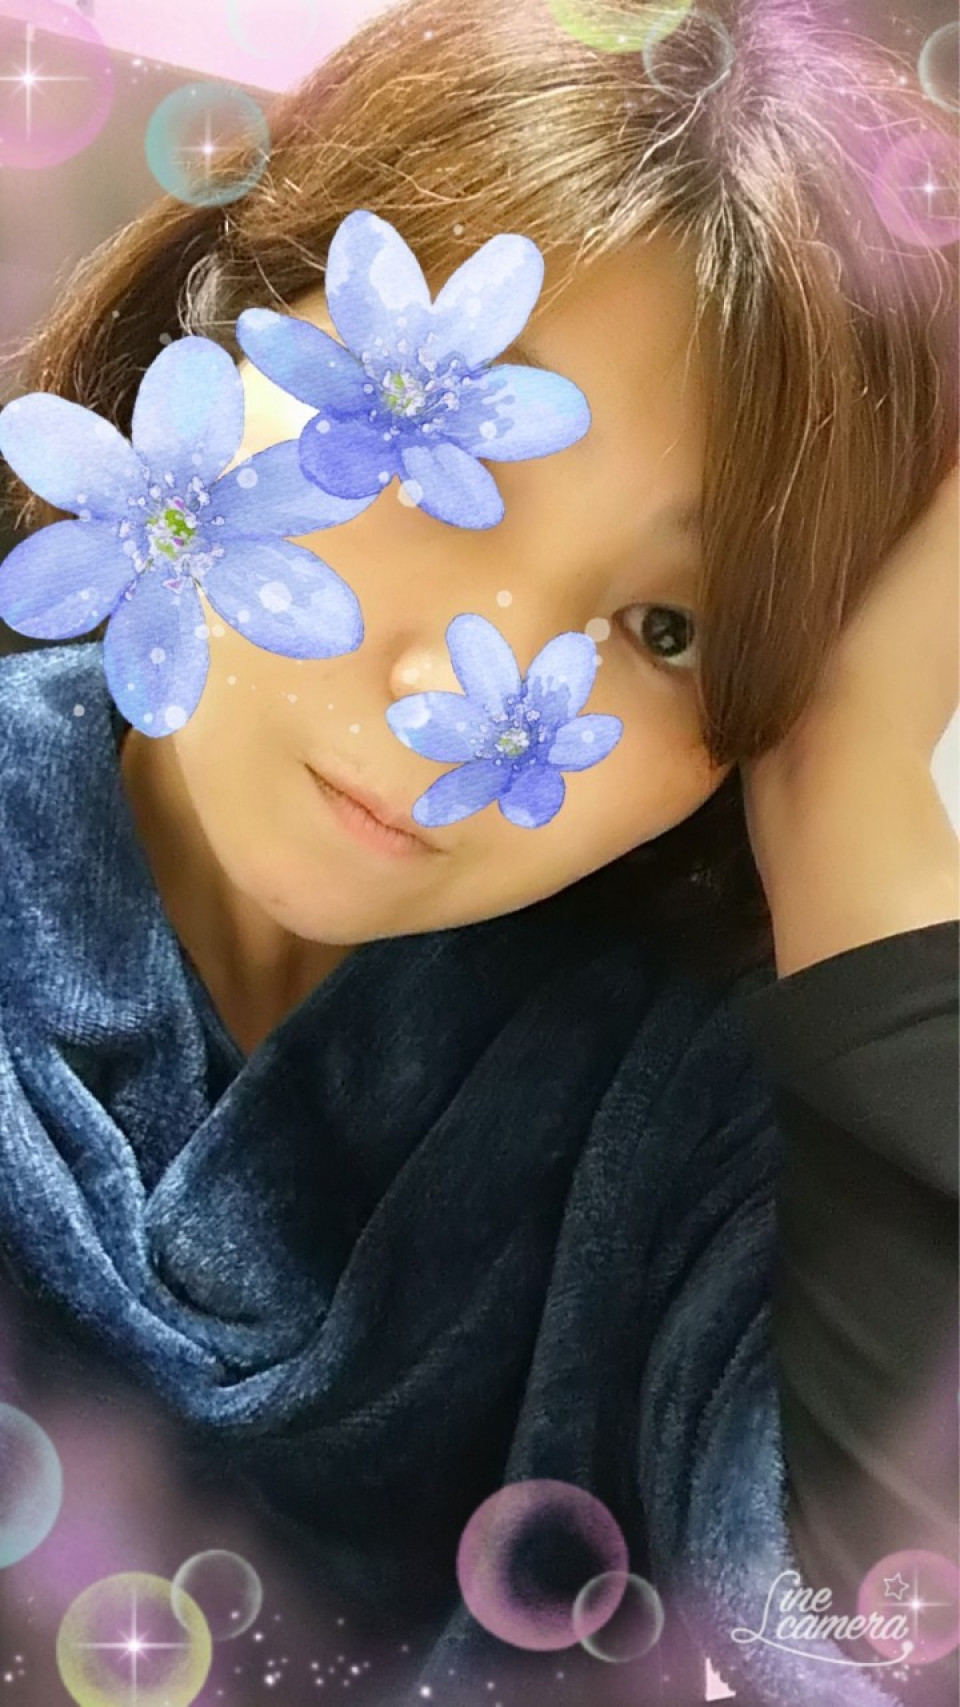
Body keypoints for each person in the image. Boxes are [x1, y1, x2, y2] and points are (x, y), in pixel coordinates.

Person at [0, 2, 956, 1704]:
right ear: (227, 321)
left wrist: (866, 801)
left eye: (669, 629)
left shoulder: (701, 1119)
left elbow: (883, 1641)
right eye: (424, 459)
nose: (463, 696)